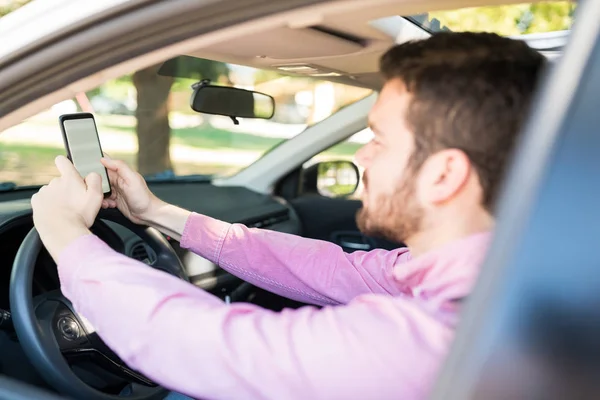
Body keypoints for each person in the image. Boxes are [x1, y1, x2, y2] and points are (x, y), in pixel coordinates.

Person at [31, 31, 545, 400]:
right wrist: (158, 213)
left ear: (444, 174)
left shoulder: (439, 338)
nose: (362, 158)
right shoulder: (488, 277)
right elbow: (332, 269)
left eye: (380, 141)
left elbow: (213, 348)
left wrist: (65, 235)